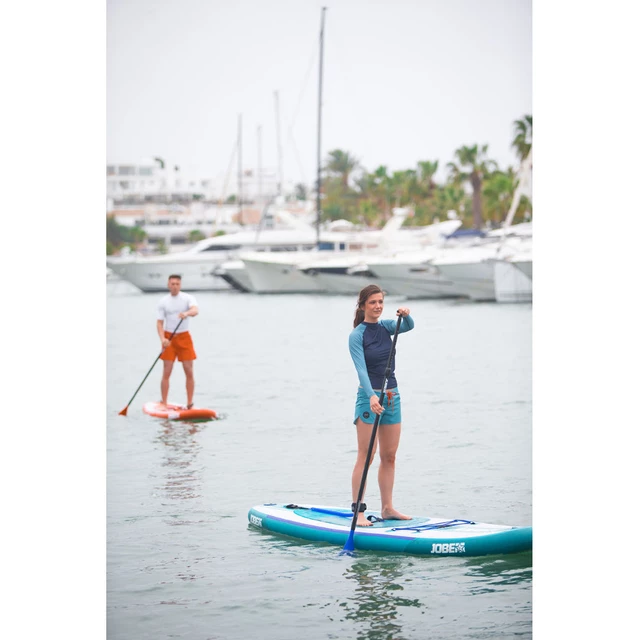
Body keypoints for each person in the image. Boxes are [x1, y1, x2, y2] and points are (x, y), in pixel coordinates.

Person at [348, 284, 415, 527]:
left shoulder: (388, 326)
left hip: (392, 396)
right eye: (373, 302)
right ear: (363, 305)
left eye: (380, 302)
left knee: (389, 456)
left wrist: (406, 314)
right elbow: (361, 370)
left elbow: (408, 326)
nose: (377, 306)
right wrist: (371, 396)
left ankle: (387, 508)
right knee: (366, 456)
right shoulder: (357, 335)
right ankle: (358, 512)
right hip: (369, 399)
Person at [156, 274, 199, 409]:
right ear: (168, 285)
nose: (174, 286)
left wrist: (186, 313)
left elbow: (195, 310)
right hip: (169, 338)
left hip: (184, 337)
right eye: (172, 284)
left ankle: (190, 403)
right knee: (167, 371)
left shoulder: (187, 298)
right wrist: (163, 339)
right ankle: (164, 402)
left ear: (180, 285)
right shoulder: (163, 301)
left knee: (189, 370)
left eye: (177, 284)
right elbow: (159, 323)